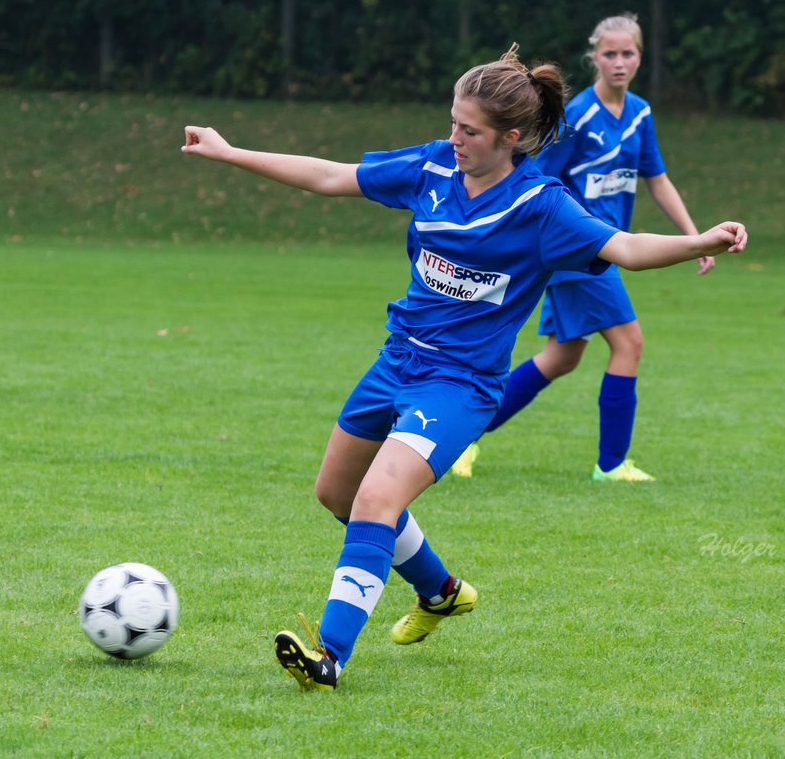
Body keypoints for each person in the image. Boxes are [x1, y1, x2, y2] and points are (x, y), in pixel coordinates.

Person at [181, 45, 747, 692]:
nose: (454, 138)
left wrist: (700, 241)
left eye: (469, 131)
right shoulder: (431, 168)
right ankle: (442, 592)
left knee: (376, 497)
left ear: (510, 138)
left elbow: (625, 247)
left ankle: (329, 655)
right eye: (453, 122)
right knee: (336, 493)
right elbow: (331, 176)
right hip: (395, 363)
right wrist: (230, 152)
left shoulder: (541, 206)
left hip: (459, 387)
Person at [451, 14, 706, 482]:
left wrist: (693, 237)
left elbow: (657, 179)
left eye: (628, 53)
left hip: (602, 251)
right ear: (594, 57)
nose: (619, 62)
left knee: (562, 357)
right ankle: (611, 466)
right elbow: (537, 177)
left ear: (640, 57)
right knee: (629, 342)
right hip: (582, 252)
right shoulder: (579, 115)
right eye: (609, 53)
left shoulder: (640, 114)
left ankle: (459, 438)